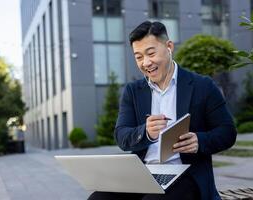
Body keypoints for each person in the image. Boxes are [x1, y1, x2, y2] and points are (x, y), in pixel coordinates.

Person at [88, 21, 237, 200]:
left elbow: (228, 132)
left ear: (169, 47)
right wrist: (146, 132)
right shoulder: (133, 91)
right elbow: (122, 136)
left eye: (151, 53)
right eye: (138, 57)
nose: (146, 63)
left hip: (186, 175)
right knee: (98, 198)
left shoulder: (202, 86)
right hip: (142, 175)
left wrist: (200, 140)